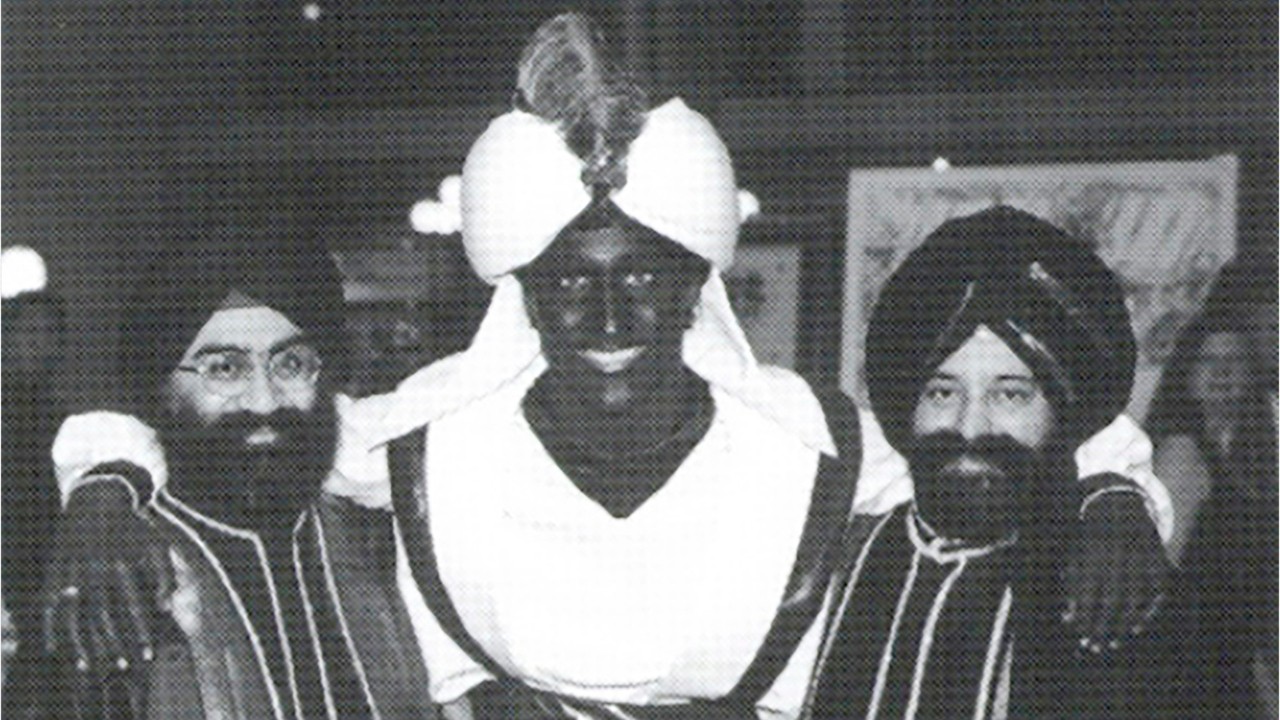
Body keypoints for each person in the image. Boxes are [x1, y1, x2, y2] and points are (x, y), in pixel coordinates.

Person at [44, 14, 1172, 720]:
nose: (608, 311)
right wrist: (99, 488)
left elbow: (1004, 426)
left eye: (643, 276)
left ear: (695, 286)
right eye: (568, 282)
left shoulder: (807, 438)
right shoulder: (430, 436)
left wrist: (1118, 500)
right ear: (525, 295)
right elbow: (245, 421)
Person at [42, 229, 432, 719]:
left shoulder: (379, 532)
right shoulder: (120, 575)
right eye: (224, 369)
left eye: (291, 363)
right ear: (161, 388)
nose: (264, 401)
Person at [807, 206, 1169, 719]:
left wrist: (1115, 497)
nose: (970, 428)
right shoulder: (835, 558)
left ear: (1064, 411)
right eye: (941, 391)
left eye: (1011, 394)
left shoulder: (1119, 595)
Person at [1147, 266, 1278, 719]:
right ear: (1185, 373)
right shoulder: (1182, 453)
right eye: (1208, 361)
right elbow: (1155, 578)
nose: (1222, 373)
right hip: (1188, 666)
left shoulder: (1248, 454)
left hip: (1233, 660)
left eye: (1234, 362)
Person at [2, 286, 68, 719]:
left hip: (40, 579)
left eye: (49, 335)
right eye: (29, 332)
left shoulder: (61, 421)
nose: (40, 345)